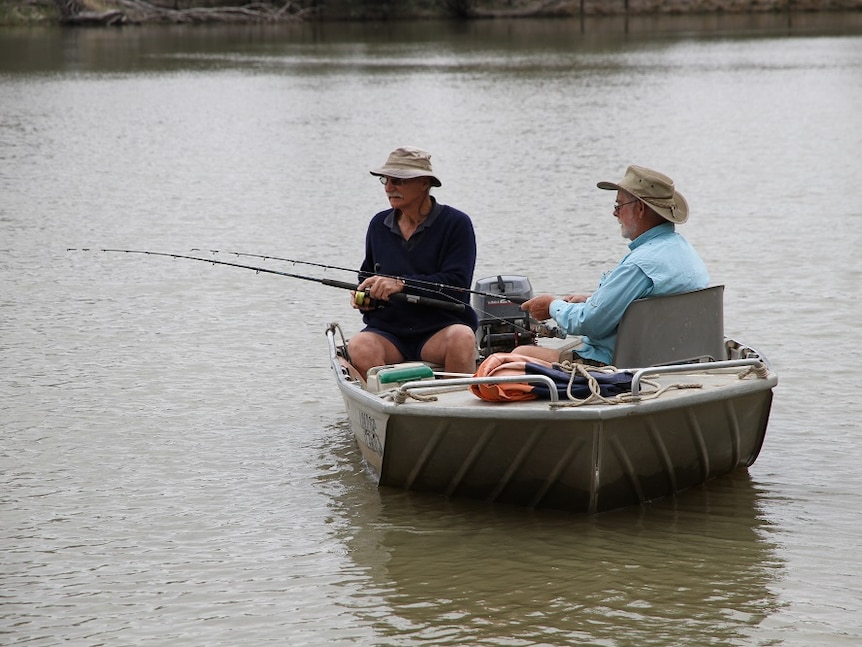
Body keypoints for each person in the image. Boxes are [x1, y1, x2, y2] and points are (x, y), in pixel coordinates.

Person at [516, 164, 709, 367]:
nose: (614, 214)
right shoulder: (685, 250)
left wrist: (551, 306)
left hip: (618, 364)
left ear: (641, 209)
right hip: (674, 357)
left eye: (618, 206)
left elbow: (590, 323)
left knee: (519, 353)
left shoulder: (640, 265)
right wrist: (591, 301)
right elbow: (645, 305)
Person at [347, 146, 479, 379]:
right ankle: (392, 404)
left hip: (440, 331)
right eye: (386, 181)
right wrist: (364, 296)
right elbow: (365, 274)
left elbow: (457, 286)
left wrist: (401, 284)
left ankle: (454, 406)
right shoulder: (378, 224)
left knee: (463, 337)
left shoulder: (457, 224)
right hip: (388, 333)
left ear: (424, 183)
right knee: (358, 346)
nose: (389, 188)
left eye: (398, 181)